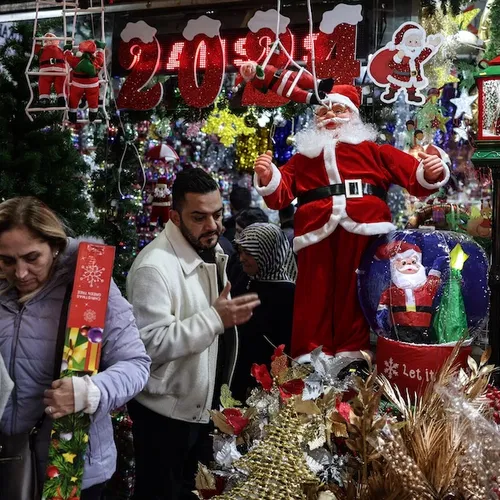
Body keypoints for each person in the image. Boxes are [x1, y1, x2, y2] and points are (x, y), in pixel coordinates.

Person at [253, 84, 450, 372]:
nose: (330, 115)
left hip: (364, 229)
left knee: (355, 294)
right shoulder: (303, 158)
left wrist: (430, 171)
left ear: (354, 115)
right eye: (323, 110)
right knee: (313, 294)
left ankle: (351, 356)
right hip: (315, 232)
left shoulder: (375, 151)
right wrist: (269, 175)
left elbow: (413, 176)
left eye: (339, 109)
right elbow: (280, 194)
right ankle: (310, 356)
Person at [0, 197, 150, 500]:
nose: (20, 273)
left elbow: (136, 364)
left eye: (32, 258)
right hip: (6, 460)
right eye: (6, 260)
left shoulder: (90, 287)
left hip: (71, 467)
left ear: (54, 246)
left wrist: (90, 391)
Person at [126, 168, 261, 500]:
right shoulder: (154, 267)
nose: (213, 226)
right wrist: (215, 318)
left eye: (217, 215)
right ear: (174, 216)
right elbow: (149, 345)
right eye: (199, 217)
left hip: (197, 410)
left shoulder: (208, 250)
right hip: (165, 418)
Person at [231, 223, 296, 402]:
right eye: (240, 251)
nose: (242, 258)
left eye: (249, 253)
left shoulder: (286, 292)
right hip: (236, 372)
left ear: (268, 254)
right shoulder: (244, 277)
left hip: (265, 383)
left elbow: (285, 346)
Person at [228, 207, 269, 298]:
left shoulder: (269, 269)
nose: (235, 237)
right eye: (236, 231)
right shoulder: (235, 258)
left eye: (239, 232)